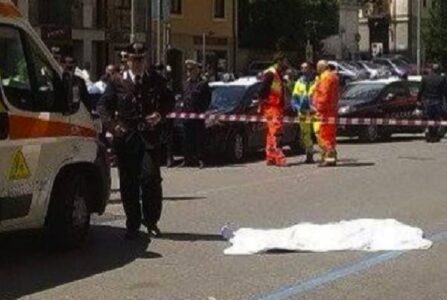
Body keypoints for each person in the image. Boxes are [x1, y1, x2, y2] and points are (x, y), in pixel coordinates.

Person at [97, 42, 173, 240]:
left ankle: (151, 221)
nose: (138, 63)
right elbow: (103, 107)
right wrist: (113, 126)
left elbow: (169, 101)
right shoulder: (116, 81)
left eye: (141, 59)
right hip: (126, 138)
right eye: (134, 59)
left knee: (150, 179)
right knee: (128, 182)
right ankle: (132, 223)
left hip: (149, 137)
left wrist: (159, 114)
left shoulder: (155, 79)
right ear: (127, 60)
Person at [180, 59, 211, 168]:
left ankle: (201, 159)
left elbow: (207, 100)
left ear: (197, 70)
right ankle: (187, 159)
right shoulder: (185, 83)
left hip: (198, 115)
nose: (189, 72)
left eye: (191, 70)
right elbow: (184, 98)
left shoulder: (202, 84)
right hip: (186, 115)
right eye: (188, 70)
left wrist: (202, 111)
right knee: (186, 139)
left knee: (199, 139)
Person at [259, 52, 289, 167]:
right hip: (272, 107)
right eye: (285, 61)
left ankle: (270, 157)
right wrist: (263, 102)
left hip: (276, 107)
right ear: (279, 61)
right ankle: (279, 158)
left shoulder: (278, 73)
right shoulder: (270, 73)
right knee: (277, 132)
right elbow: (262, 90)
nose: (286, 63)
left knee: (271, 133)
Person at [313, 60, 340, 167]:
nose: (316, 70)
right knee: (331, 136)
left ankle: (329, 158)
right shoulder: (334, 77)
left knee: (324, 135)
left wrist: (318, 109)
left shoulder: (325, 78)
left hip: (325, 111)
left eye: (317, 67)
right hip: (332, 110)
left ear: (321, 67)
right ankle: (331, 158)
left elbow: (323, 95)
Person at [292, 62, 317, 164]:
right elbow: (295, 98)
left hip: (315, 112)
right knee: (305, 134)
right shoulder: (299, 82)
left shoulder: (317, 82)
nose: (303, 70)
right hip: (303, 112)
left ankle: (326, 155)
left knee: (318, 132)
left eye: (306, 68)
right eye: (302, 68)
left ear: (311, 69)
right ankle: (309, 154)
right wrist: (297, 107)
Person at [417, 64, 446, 143]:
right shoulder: (441, 79)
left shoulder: (425, 78)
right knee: (436, 119)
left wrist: (418, 100)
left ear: (432, 70)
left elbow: (421, 90)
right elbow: (444, 91)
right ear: (438, 70)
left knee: (429, 118)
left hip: (427, 101)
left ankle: (430, 135)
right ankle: (435, 135)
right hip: (437, 101)